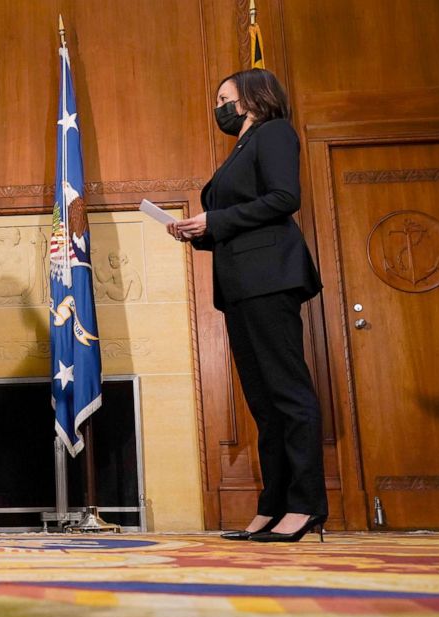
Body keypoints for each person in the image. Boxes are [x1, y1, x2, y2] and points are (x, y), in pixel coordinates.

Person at [168, 68, 327, 543]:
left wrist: (214, 218)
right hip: (238, 285)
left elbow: (284, 198)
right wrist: (199, 232)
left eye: (224, 96)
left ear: (253, 97)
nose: (218, 106)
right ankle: (272, 506)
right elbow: (234, 220)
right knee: (263, 404)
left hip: (270, 279)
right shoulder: (239, 148)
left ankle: (305, 506)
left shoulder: (274, 133)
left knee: (288, 394)